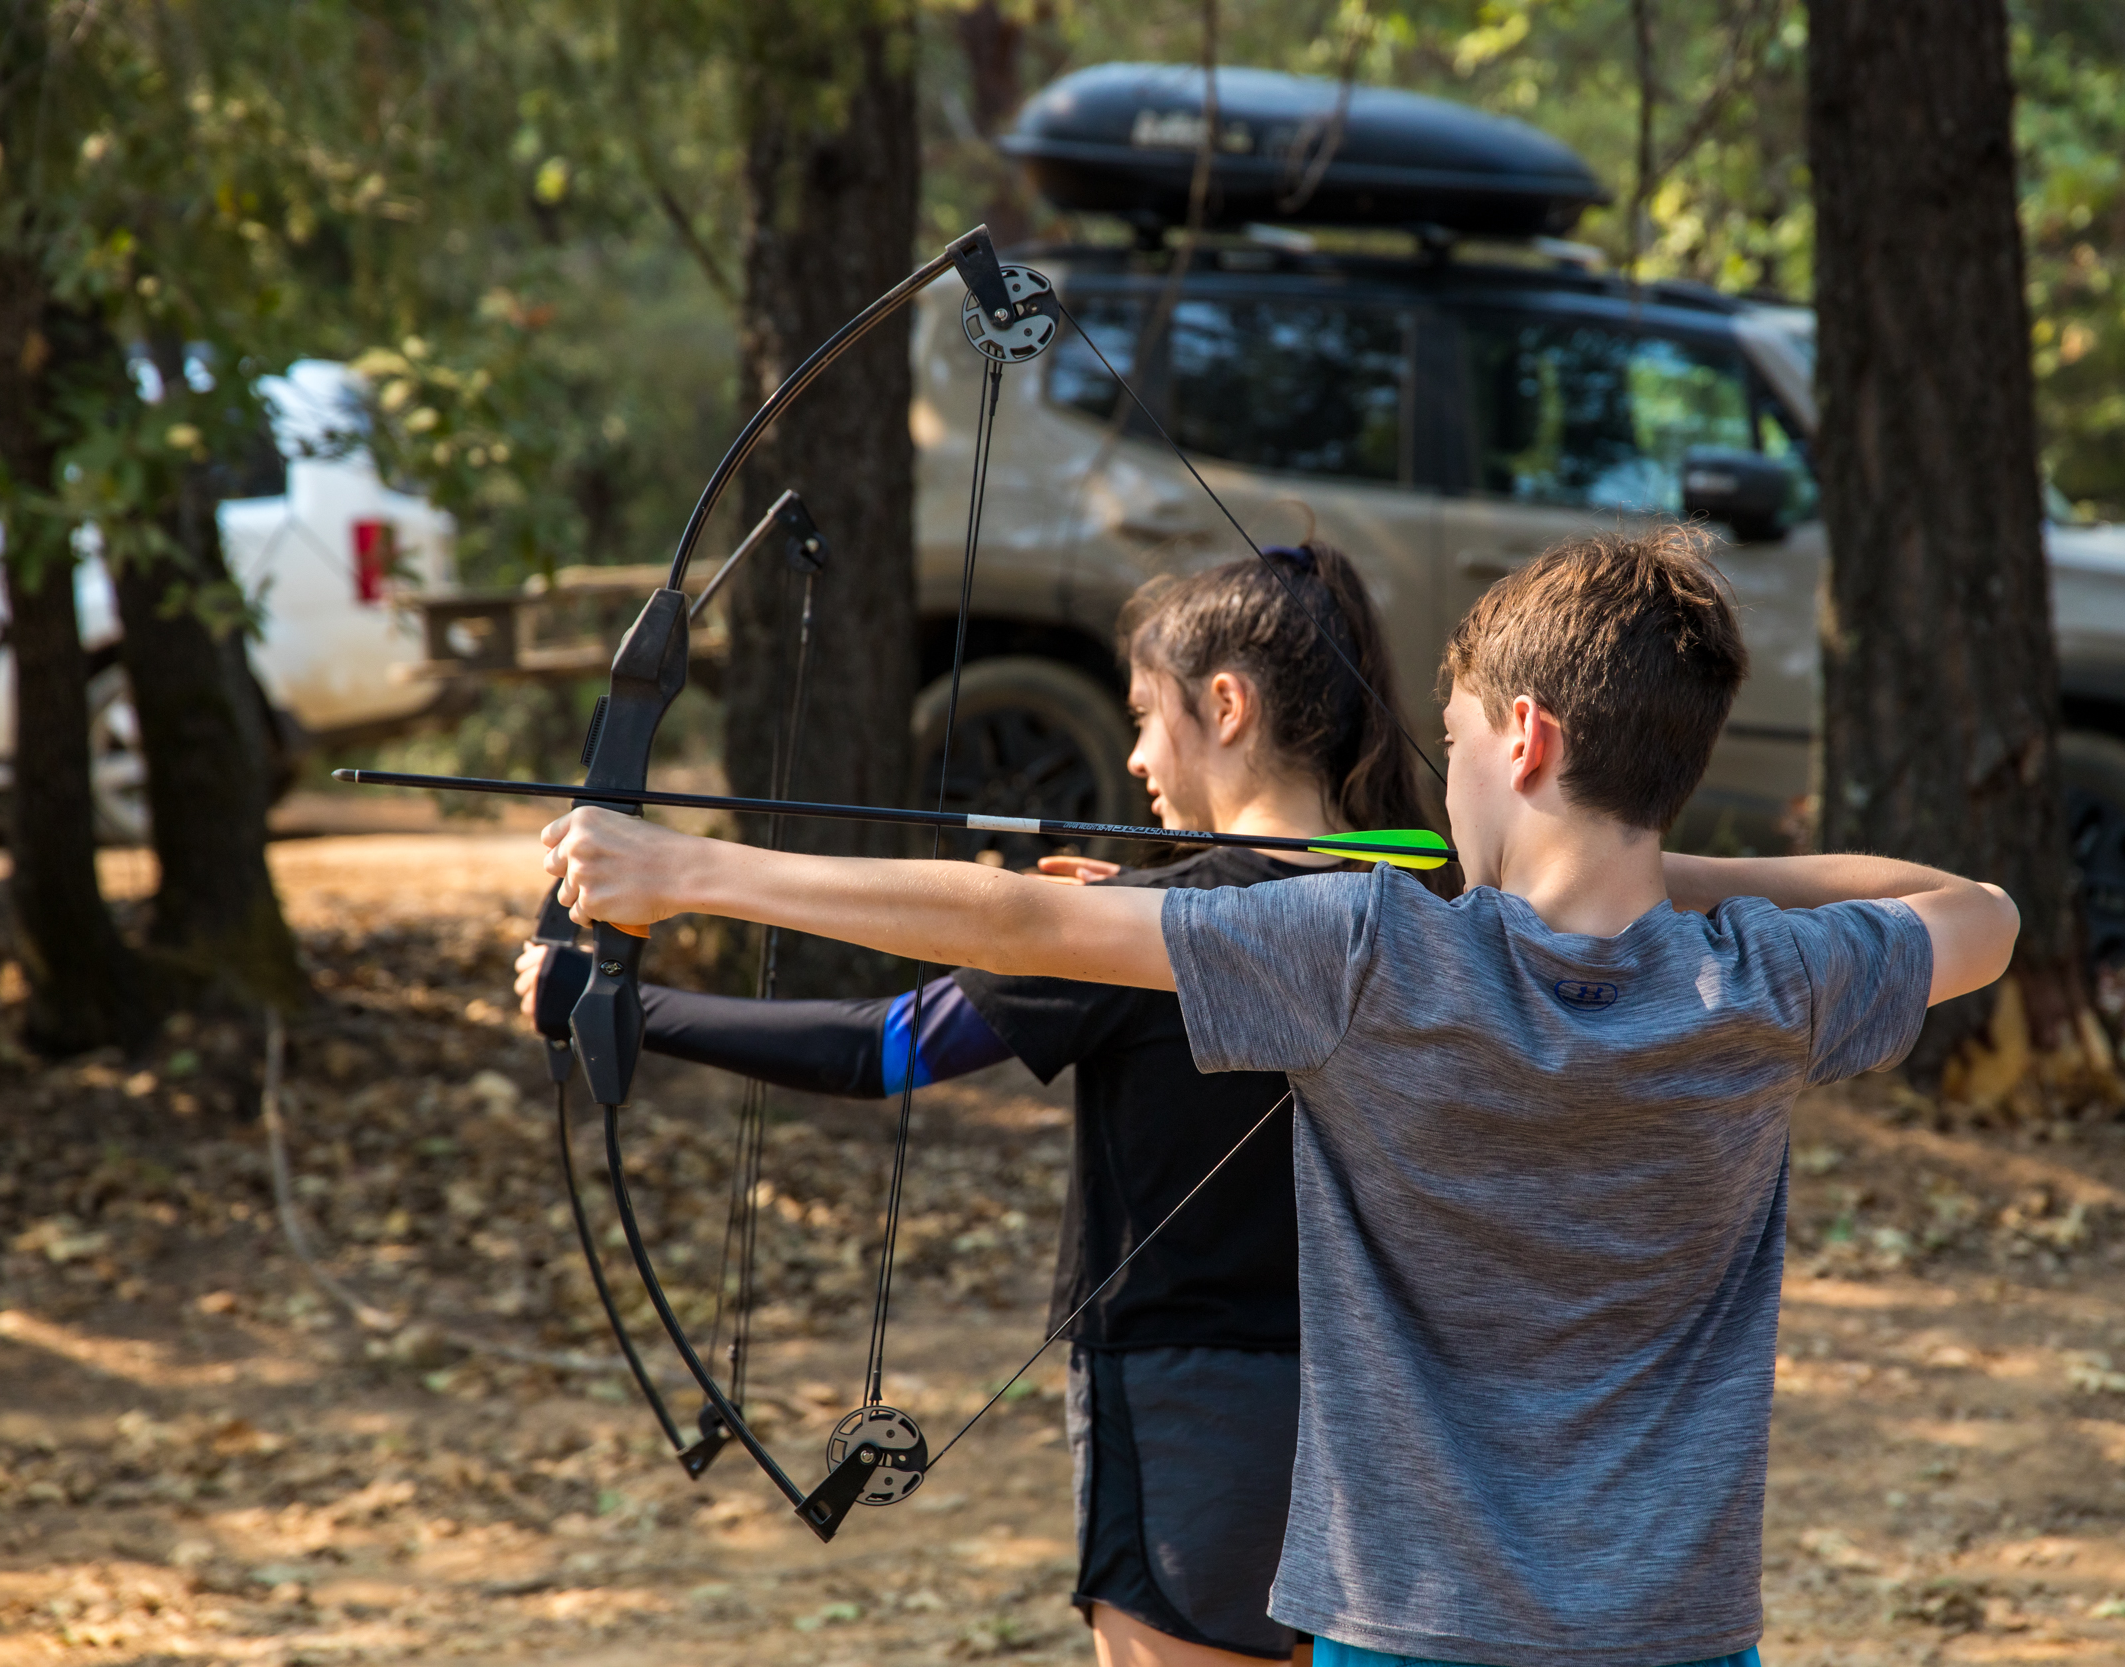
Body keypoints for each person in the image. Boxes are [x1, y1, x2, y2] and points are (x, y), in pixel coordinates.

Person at [538, 523, 2022, 1667]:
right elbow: (1979, 908)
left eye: (1450, 756)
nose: (1436, 797)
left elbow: (1034, 930)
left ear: (1525, 739)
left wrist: (688, 870)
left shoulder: (1374, 952)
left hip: (1411, 1623)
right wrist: (1638, 871)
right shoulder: (1771, 981)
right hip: (1685, 1630)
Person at [519, 543, 1446, 1667]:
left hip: (1188, 1411)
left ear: (1227, 704)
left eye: (1148, 716)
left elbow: (884, 1049)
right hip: (1387, 1416)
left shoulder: (1144, 936)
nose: (1135, 755)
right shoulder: (1416, 897)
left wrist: (612, 1002)